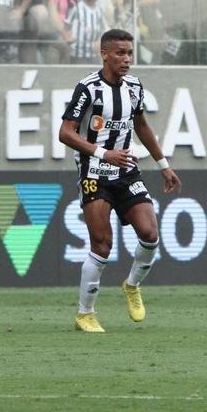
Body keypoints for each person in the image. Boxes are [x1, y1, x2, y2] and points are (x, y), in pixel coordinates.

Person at [57, 28, 181, 333]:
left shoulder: (135, 87)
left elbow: (141, 125)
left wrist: (163, 164)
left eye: (129, 53)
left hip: (125, 171)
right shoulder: (87, 89)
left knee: (150, 234)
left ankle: (132, 285)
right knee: (102, 244)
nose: (126, 59)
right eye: (120, 53)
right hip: (94, 173)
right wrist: (102, 153)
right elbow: (65, 133)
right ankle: (85, 314)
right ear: (104, 54)